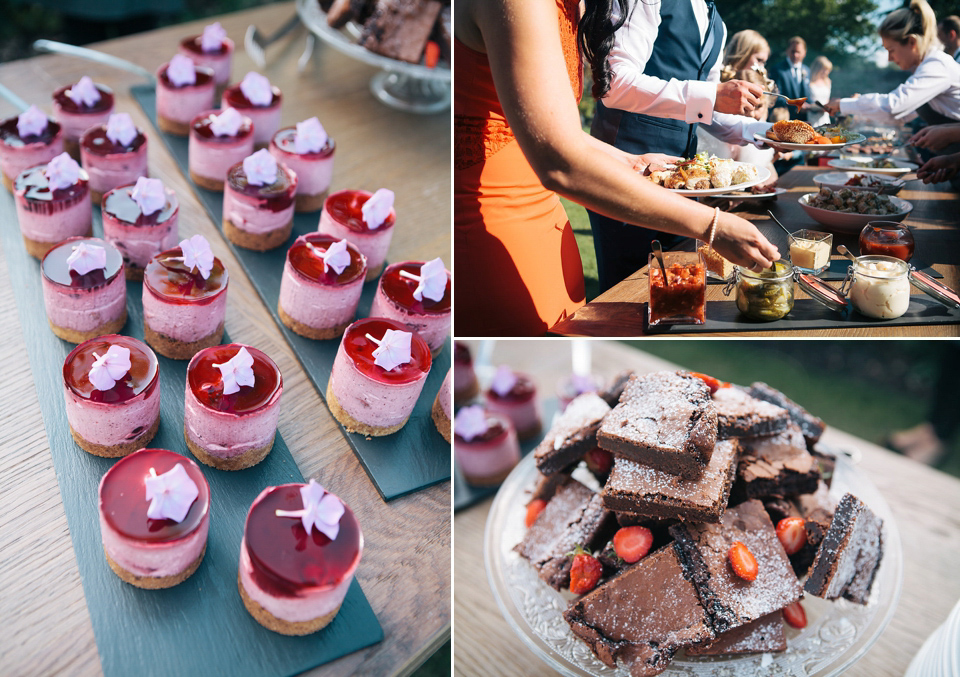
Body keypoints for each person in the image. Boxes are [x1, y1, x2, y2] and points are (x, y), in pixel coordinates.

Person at [453, 0, 779, 336]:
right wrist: (713, 226)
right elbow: (559, 162)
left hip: (547, 224)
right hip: (490, 232)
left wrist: (629, 161)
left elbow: (552, 130)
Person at [586, 4, 777, 292]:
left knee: (677, 291)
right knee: (626, 294)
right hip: (627, 172)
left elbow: (706, 108)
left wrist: (765, 133)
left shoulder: (718, 24)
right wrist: (710, 95)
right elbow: (614, 84)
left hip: (686, 186)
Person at [824, 0, 960, 128]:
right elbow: (901, 116)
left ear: (912, 42)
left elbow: (894, 106)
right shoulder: (928, 66)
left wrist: (844, 104)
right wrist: (854, 108)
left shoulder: (937, 66)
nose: (889, 58)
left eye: (891, 50)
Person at [770, 37, 813, 121]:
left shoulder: (807, 70)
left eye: (798, 52)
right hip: (784, 118)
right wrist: (795, 105)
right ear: (787, 51)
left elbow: (808, 95)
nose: (795, 55)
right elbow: (776, 96)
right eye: (793, 51)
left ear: (804, 53)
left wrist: (812, 106)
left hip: (803, 119)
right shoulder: (777, 69)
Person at [807, 56, 833, 127]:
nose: (826, 72)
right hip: (811, 115)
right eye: (824, 69)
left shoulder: (828, 82)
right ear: (817, 68)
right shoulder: (808, 81)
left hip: (824, 116)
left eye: (827, 70)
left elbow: (827, 99)